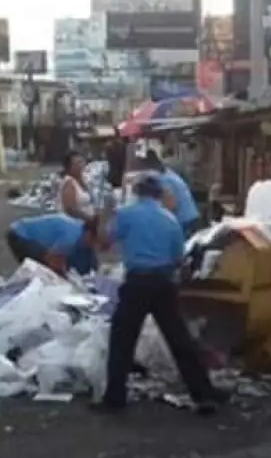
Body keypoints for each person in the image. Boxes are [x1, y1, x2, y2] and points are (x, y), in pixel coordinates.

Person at [96, 175, 225, 414]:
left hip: (136, 283)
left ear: (137, 192)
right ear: (158, 195)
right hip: (163, 284)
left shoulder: (126, 214)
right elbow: (178, 259)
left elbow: (104, 242)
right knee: (179, 340)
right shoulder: (170, 220)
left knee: (122, 339)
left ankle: (115, 397)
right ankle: (203, 393)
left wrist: (106, 214)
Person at [5, 212, 99, 274]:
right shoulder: (71, 237)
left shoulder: (81, 229)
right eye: (94, 242)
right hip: (20, 235)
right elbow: (53, 261)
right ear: (89, 234)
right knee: (41, 272)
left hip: (29, 235)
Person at [141, 150, 200, 237]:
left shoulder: (164, 180)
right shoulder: (169, 173)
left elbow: (171, 205)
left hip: (185, 220)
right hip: (190, 215)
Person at [57, 151, 99, 275]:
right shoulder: (69, 183)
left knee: (90, 262)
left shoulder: (82, 180)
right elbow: (69, 208)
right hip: (75, 229)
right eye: (77, 163)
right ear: (69, 167)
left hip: (86, 230)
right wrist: (88, 218)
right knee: (80, 263)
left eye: (82, 162)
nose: (81, 165)